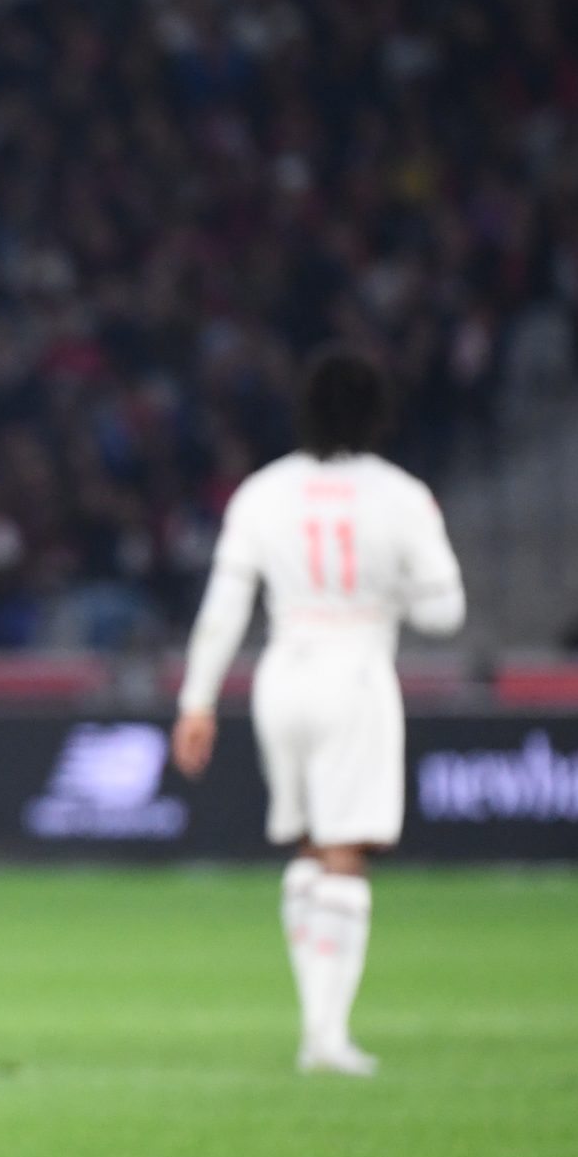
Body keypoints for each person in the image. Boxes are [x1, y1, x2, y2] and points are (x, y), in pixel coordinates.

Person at [171, 346, 466, 1076]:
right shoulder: (402, 496)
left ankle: (317, 1027)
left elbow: (224, 608)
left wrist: (196, 702)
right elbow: (447, 612)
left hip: (283, 672)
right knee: (345, 853)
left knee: (308, 848)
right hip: (355, 670)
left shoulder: (263, 492)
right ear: (378, 414)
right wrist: (385, 594)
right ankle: (326, 1038)